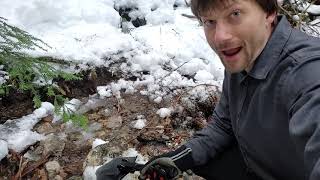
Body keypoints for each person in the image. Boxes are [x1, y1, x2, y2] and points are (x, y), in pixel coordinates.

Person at [137, 0, 320, 180]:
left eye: (235, 14)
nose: (219, 37)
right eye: (209, 21)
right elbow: (224, 125)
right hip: (254, 165)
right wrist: (179, 159)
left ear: (269, 12)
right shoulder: (244, 53)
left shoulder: (307, 72)